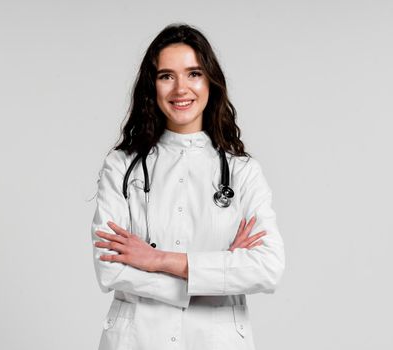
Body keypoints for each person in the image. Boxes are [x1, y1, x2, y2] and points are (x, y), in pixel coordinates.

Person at [90, 23, 285, 350]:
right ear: (152, 86)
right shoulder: (121, 166)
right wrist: (217, 271)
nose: (181, 89)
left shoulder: (242, 172)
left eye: (193, 73)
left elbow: (267, 268)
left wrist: (158, 260)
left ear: (210, 81)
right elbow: (110, 270)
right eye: (167, 76)